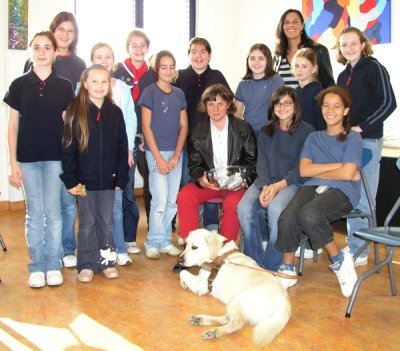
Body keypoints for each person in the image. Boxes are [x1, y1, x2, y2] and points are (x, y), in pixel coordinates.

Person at [276, 86, 363, 297]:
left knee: (310, 214)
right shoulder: (314, 137)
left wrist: (337, 169)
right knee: (288, 215)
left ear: (346, 111)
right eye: (326, 106)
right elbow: (305, 170)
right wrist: (338, 166)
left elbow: (348, 174)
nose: (330, 110)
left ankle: (339, 260)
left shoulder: (353, 138)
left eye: (336, 106)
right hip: (312, 186)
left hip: (343, 191)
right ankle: (288, 269)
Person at [4, 31, 74, 288]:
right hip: (28, 160)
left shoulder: (65, 86)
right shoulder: (19, 84)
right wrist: (13, 162)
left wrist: (71, 160)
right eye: (37, 47)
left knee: (54, 213)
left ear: (55, 52)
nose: (42, 52)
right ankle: (37, 265)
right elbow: (12, 126)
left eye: (47, 47)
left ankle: (53, 263)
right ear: (31, 51)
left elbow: (69, 125)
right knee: (34, 214)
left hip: (56, 159)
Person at [24, 12, 87, 268]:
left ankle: (67, 249)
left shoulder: (79, 63)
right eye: (60, 29)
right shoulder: (36, 63)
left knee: (66, 201)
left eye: (70, 31)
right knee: (44, 208)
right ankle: (52, 253)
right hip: (40, 147)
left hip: (66, 143)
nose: (65, 34)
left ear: (75, 35)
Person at [176, 84, 257, 271]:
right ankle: (190, 252)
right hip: (210, 183)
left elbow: (252, 163)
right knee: (185, 196)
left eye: (220, 104)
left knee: (232, 205)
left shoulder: (243, 129)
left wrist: (243, 180)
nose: (216, 109)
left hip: (236, 183)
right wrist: (200, 178)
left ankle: (224, 256)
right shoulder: (198, 131)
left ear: (229, 104)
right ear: (205, 106)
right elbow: (195, 165)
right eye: (211, 104)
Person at [61, 65, 129, 283]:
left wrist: (121, 176)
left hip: (109, 180)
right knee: (88, 223)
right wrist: (71, 179)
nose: (100, 86)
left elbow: (121, 146)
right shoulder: (75, 110)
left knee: (106, 222)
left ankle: (107, 262)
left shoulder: (115, 112)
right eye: (94, 81)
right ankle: (87, 264)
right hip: (84, 182)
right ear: (85, 84)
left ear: (110, 84)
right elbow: (68, 147)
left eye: (104, 81)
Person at [336, 26, 397, 265]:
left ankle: (359, 250)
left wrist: (363, 126)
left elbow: (389, 102)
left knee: (363, 196)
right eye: (344, 45)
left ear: (363, 44)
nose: (349, 48)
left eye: (353, 43)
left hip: (368, 140)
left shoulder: (374, 68)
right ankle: (355, 244)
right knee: (351, 193)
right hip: (348, 142)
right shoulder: (343, 76)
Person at [237, 86, 314, 271]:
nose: (282, 107)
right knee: (244, 208)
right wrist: (265, 186)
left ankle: (273, 264)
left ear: (295, 106)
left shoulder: (307, 131)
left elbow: (300, 168)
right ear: (272, 107)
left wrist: (278, 186)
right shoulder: (266, 131)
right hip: (266, 181)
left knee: (276, 209)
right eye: (277, 103)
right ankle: (254, 262)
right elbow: (261, 163)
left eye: (287, 103)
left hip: (292, 183)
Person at [175, 37, 231, 233]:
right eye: (194, 51)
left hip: (211, 141)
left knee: (211, 179)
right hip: (185, 138)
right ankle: (189, 227)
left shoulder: (217, 75)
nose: (198, 56)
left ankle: (211, 224)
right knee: (186, 181)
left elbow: (228, 104)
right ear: (188, 54)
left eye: (203, 51)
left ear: (209, 55)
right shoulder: (179, 76)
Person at [138, 50, 188, 260]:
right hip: (155, 153)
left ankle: (166, 239)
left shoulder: (179, 94)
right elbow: (146, 127)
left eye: (171, 66)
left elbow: (184, 126)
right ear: (156, 69)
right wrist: (158, 158)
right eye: (163, 67)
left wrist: (176, 155)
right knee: (159, 200)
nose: (168, 71)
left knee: (172, 201)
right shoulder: (149, 92)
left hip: (176, 153)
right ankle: (153, 241)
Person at [90, 42, 137, 266]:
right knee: (94, 210)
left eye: (108, 56)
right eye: (98, 57)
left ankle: (119, 247)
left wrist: (126, 150)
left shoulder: (123, 89)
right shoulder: (85, 87)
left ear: (114, 60)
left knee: (116, 205)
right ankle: (98, 250)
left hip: (117, 154)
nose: (103, 60)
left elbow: (130, 120)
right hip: (93, 158)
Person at [114, 29, 157, 245]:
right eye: (134, 45)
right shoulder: (116, 72)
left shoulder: (154, 74)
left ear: (148, 49)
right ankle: (124, 235)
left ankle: (154, 228)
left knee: (152, 183)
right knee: (127, 187)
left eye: (142, 45)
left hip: (148, 135)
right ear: (128, 48)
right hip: (125, 137)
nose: (138, 49)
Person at [273, 8, 334, 89]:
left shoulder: (319, 51)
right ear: (282, 27)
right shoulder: (278, 57)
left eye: (295, 22)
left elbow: (329, 85)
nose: (291, 25)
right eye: (287, 22)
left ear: (302, 26)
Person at [234, 43, 284, 136]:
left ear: (268, 60)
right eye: (252, 58)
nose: (256, 62)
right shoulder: (242, 85)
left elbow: (282, 109)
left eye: (261, 58)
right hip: (249, 136)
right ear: (248, 61)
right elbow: (237, 114)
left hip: (270, 134)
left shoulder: (276, 80)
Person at [293, 48, 325, 131]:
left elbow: (322, 122)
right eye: (296, 66)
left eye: (304, 66)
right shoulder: (294, 92)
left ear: (314, 69)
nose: (299, 70)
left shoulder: (318, 92)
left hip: (314, 139)